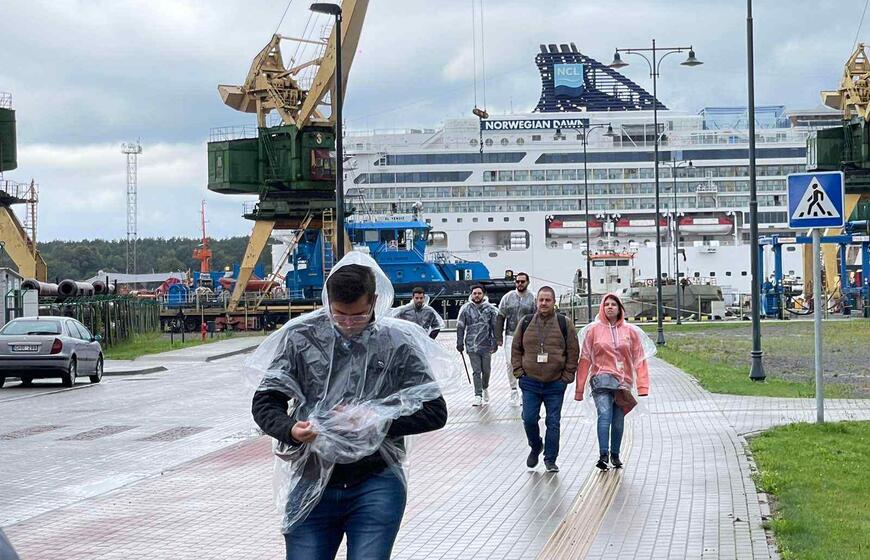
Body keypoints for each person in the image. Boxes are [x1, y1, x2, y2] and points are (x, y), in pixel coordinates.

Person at [247, 252, 450, 560]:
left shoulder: (396, 343)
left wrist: (377, 420)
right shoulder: (302, 338)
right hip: (312, 476)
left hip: (376, 481)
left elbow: (435, 411)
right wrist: (290, 429)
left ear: (374, 301)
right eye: (339, 315)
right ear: (327, 302)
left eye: (358, 316)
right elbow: (265, 401)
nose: (348, 324)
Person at [575, 293, 655, 471]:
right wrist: (579, 388)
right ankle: (603, 454)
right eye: (606, 304)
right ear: (602, 308)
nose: (610, 307)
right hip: (600, 381)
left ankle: (615, 454)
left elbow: (639, 360)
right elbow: (585, 359)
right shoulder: (593, 331)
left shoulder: (630, 332)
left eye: (613, 304)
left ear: (620, 308)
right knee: (604, 415)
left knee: (618, 420)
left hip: (623, 383)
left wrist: (642, 386)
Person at [511, 286, 579, 473]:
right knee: (529, 419)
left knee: (553, 422)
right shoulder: (525, 322)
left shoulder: (564, 323)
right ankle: (535, 445)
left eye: (548, 300)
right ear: (536, 302)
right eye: (541, 300)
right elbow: (516, 348)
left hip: (555, 383)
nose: (544, 303)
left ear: (554, 302)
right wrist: (519, 372)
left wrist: (567, 376)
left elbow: (573, 351)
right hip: (530, 381)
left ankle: (550, 459)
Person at [496, 272, 536, 405]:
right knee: (510, 363)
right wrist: (498, 337)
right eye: (517, 281)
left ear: (527, 282)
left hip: (528, 336)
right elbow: (500, 316)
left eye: (522, 281)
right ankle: (513, 390)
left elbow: (538, 317)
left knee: (526, 363)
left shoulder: (533, 298)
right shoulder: (507, 297)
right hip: (510, 335)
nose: (520, 284)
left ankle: (525, 391)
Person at [456, 284, 499, 407]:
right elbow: (460, 326)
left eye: (479, 293)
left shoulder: (490, 309)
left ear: (483, 294)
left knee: (486, 370)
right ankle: (478, 395)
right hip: (471, 345)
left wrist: (495, 341)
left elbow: (495, 326)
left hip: (486, 344)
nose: (477, 295)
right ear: (471, 294)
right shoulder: (465, 309)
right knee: (476, 371)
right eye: (474, 293)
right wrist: (459, 342)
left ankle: (485, 387)